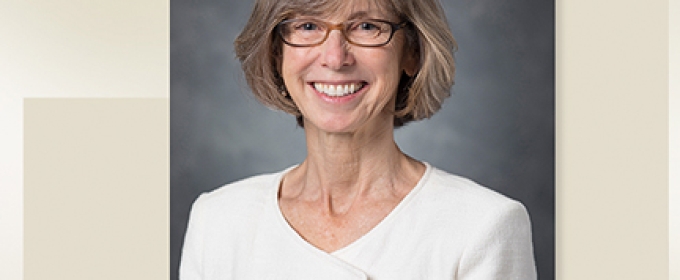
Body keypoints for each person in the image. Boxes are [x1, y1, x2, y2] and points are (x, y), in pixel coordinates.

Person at [179, 0, 537, 278]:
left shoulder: (484, 227)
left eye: (366, 26)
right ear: (277, 53)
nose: (335, 58)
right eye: (307, 26)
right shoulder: (217, 221)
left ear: (412, 52)